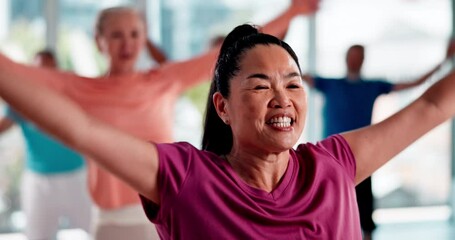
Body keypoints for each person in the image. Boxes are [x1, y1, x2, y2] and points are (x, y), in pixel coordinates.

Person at [1, 22, 455, 239]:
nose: (282, 98)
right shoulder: (184, 179)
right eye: (260, 85)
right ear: (222, 106)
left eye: (292, 84)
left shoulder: (334, 167)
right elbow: (79, 128)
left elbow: (432, 106)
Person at [0, 2, 318, 239]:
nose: (127, 44)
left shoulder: (163, 80)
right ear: (100, 41)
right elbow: (16, 74)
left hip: (163, 218)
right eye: (116, 36)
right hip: (110, 221)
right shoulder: (82, 88)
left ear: (144, 39)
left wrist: (292, 12)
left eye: (135, 34)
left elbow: (238, 51)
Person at [301, 44, 447, 239]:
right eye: (352, 56)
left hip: (361, 155)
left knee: (364, 206)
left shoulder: (372, 86)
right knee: (328, 208)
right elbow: (297, 73)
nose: (354, 60)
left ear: (363, 60)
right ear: (346, 59)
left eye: (358, 57)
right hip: (330, 159)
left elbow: (415, 83)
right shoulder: (330, 84)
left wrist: (443, 62)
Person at [0, 49, 92, 240]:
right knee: (36, 236)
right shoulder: (21, 101)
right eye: (38, 69)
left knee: (94, 230)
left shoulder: (72, 96)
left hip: (77, 177)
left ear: (56, 71)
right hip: (39, 182)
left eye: (48, 69)